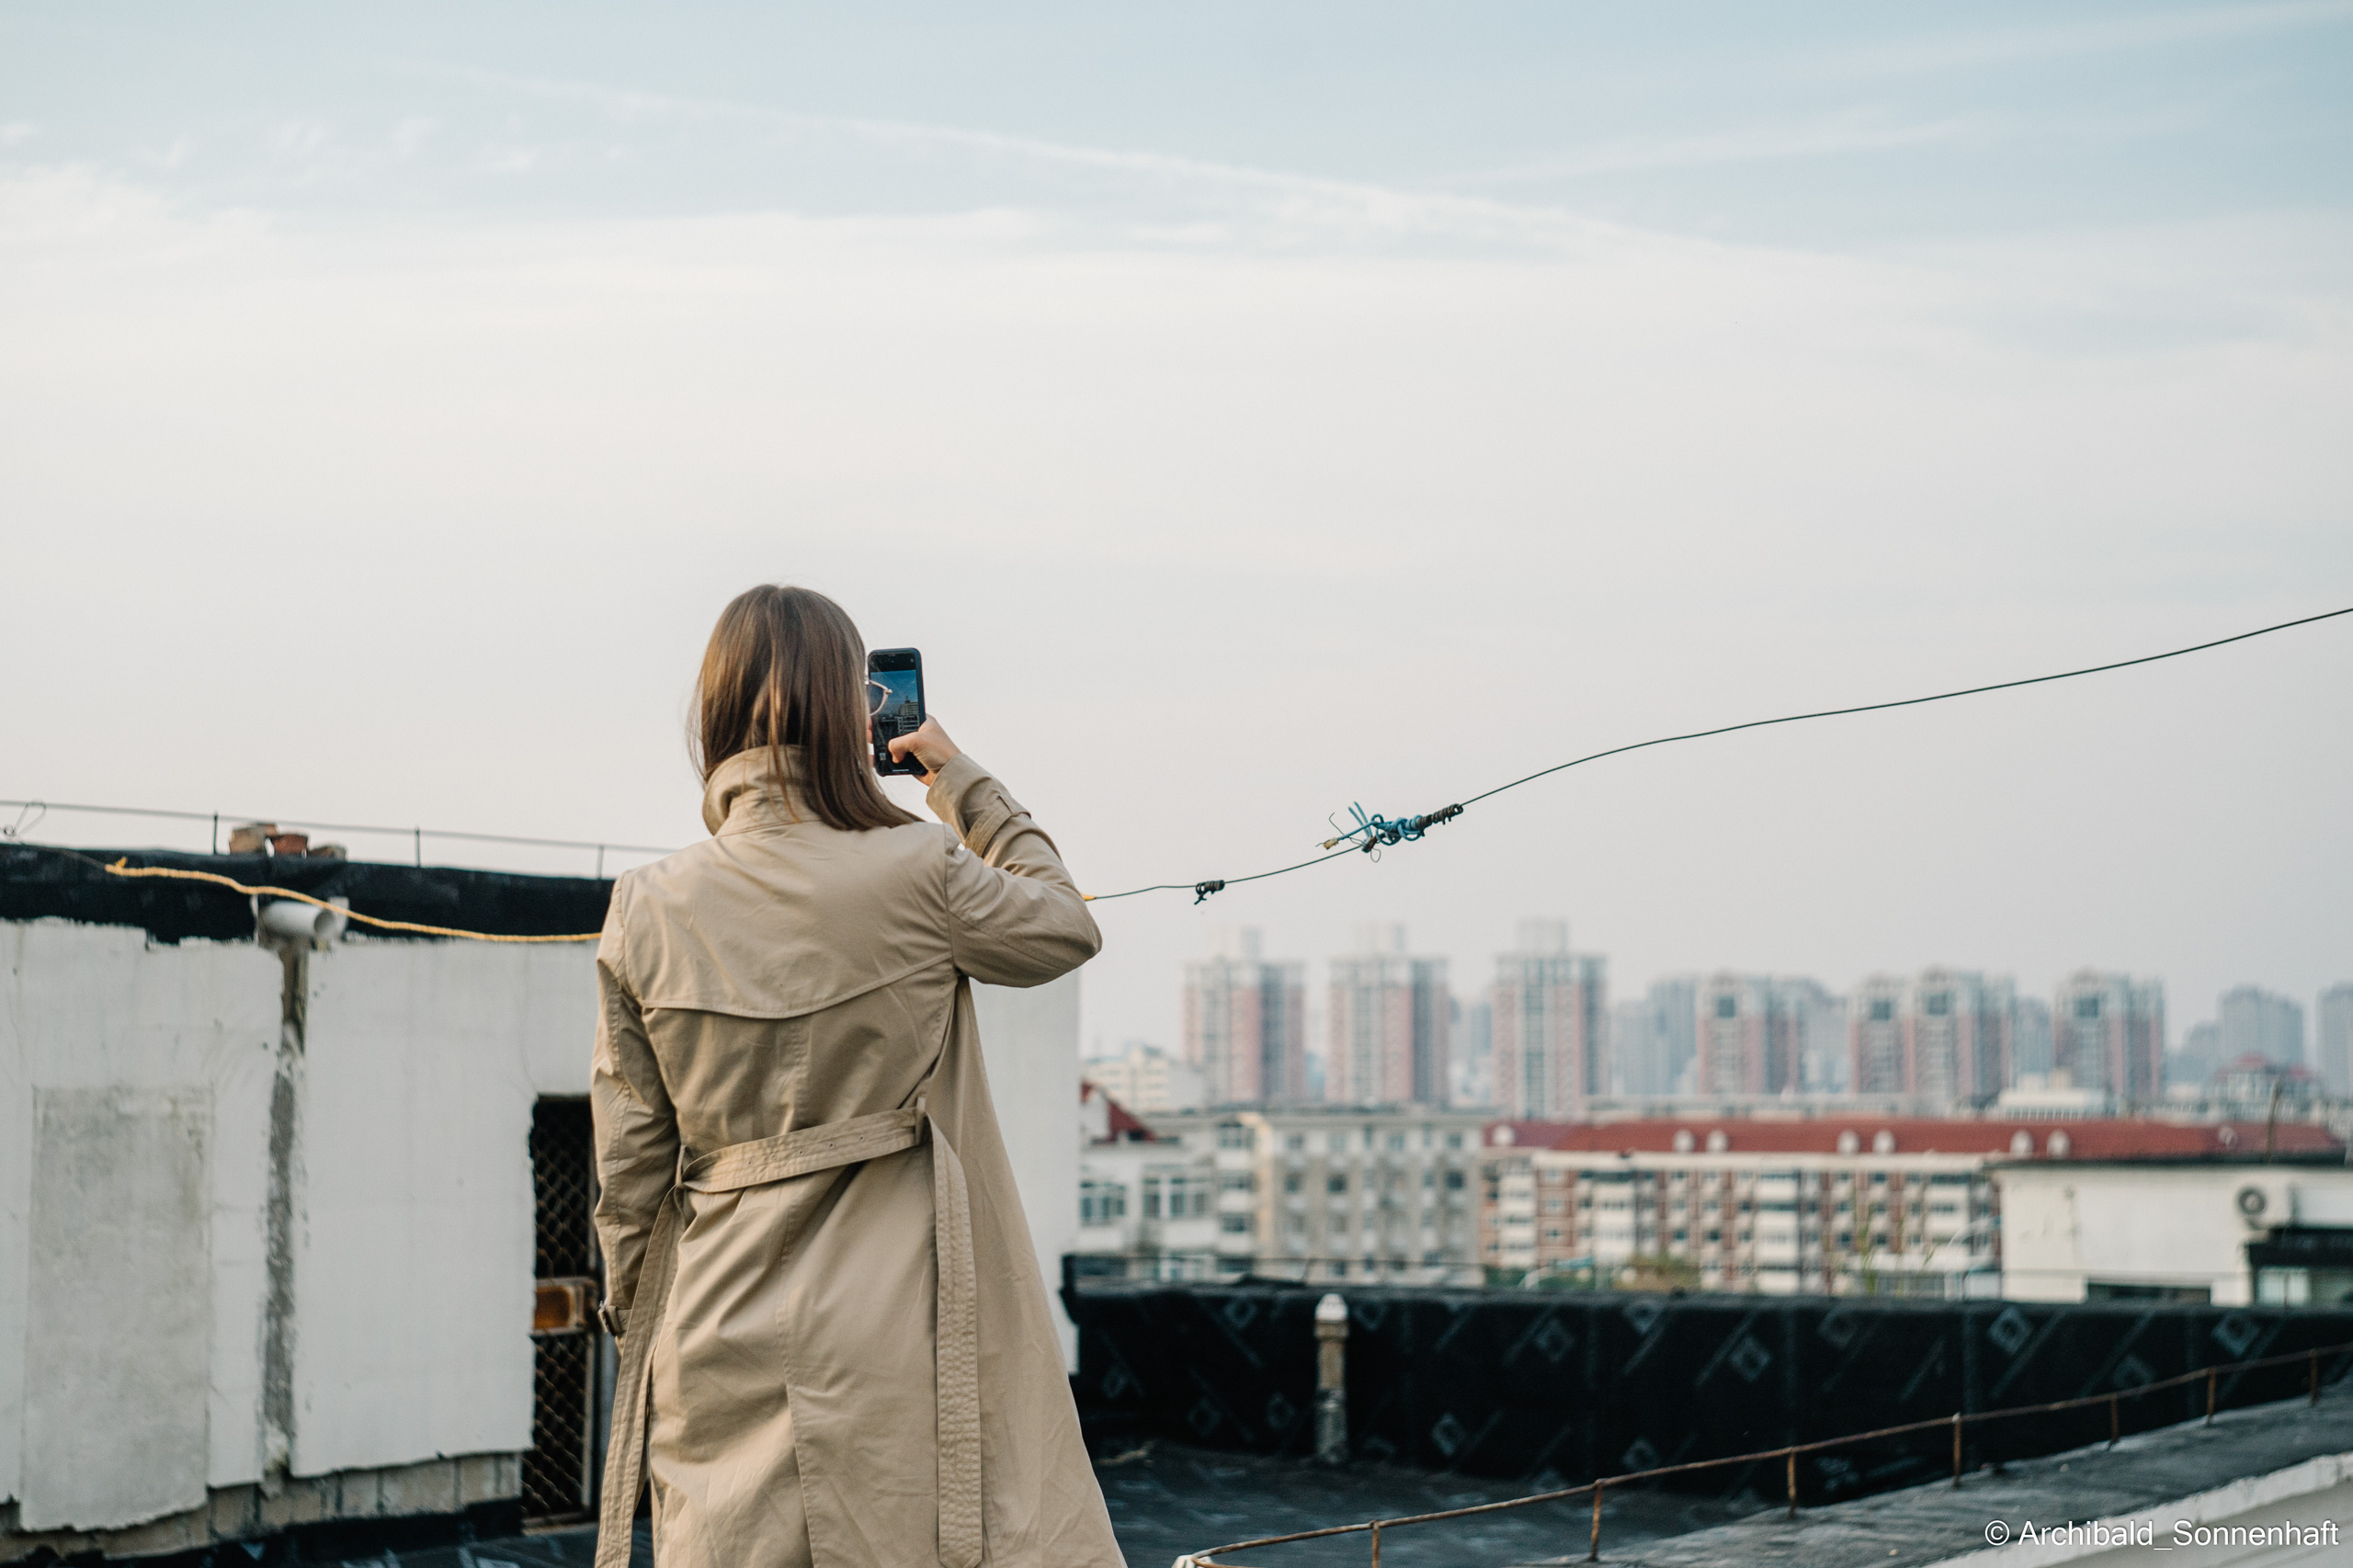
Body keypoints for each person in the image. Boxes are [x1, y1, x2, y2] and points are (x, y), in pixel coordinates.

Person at [590, 585, 1124, 1568]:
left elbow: (628, 1173)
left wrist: (643, 1324)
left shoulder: (646, 906)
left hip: (715, 1314)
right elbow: (1063, 922)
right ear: (857, 711)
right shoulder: (918, 866)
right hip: (901, 1320)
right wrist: (956, 774)